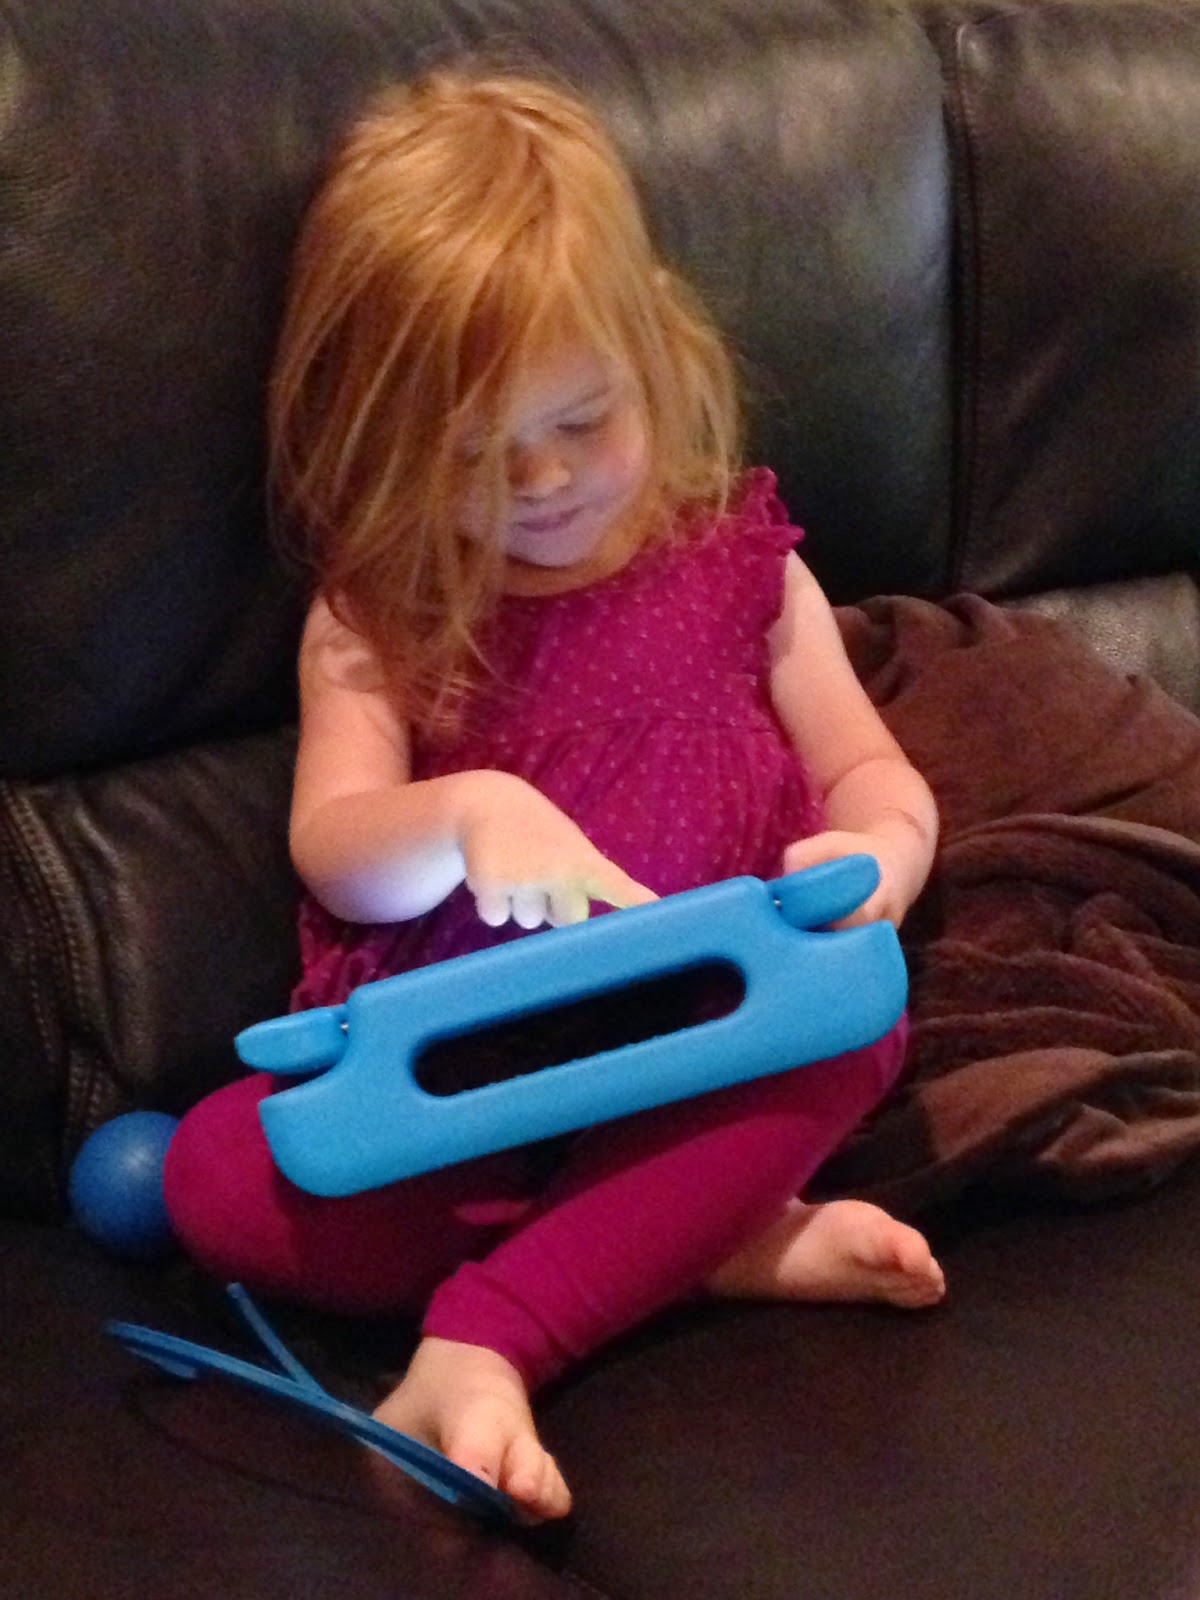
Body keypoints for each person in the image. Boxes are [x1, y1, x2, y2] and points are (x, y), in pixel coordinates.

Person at [163, 68, 944, 1523]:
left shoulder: (743, 562)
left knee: (860, 1012)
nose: (539, 479)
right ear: (377, 437)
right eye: (469, 452)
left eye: (583, 417)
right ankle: (685, 1239)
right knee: (216, 1179)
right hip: (473, 1078)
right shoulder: (377, 615)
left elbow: (870, 768)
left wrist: (883, 853)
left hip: (716, 1032)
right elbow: (335, 848)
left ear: (657, 349)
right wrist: (460, 821)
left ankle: (497, 1332)